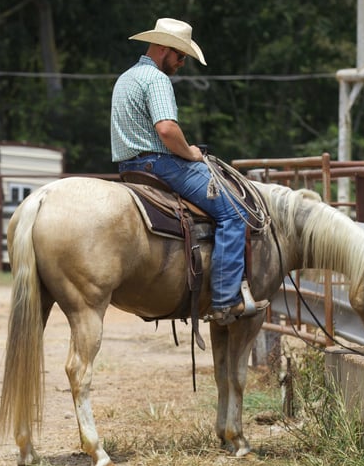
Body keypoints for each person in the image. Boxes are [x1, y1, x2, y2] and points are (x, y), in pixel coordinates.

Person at [111, 17, 266, 325]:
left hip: (129, 167)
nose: (182, 63)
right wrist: (191, 152)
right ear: (164, 49)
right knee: (234, 212)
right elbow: (167, 130)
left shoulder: (126, 78)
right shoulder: (156, 80)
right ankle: (225, 300)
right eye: (181, 55)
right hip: (160, 164)